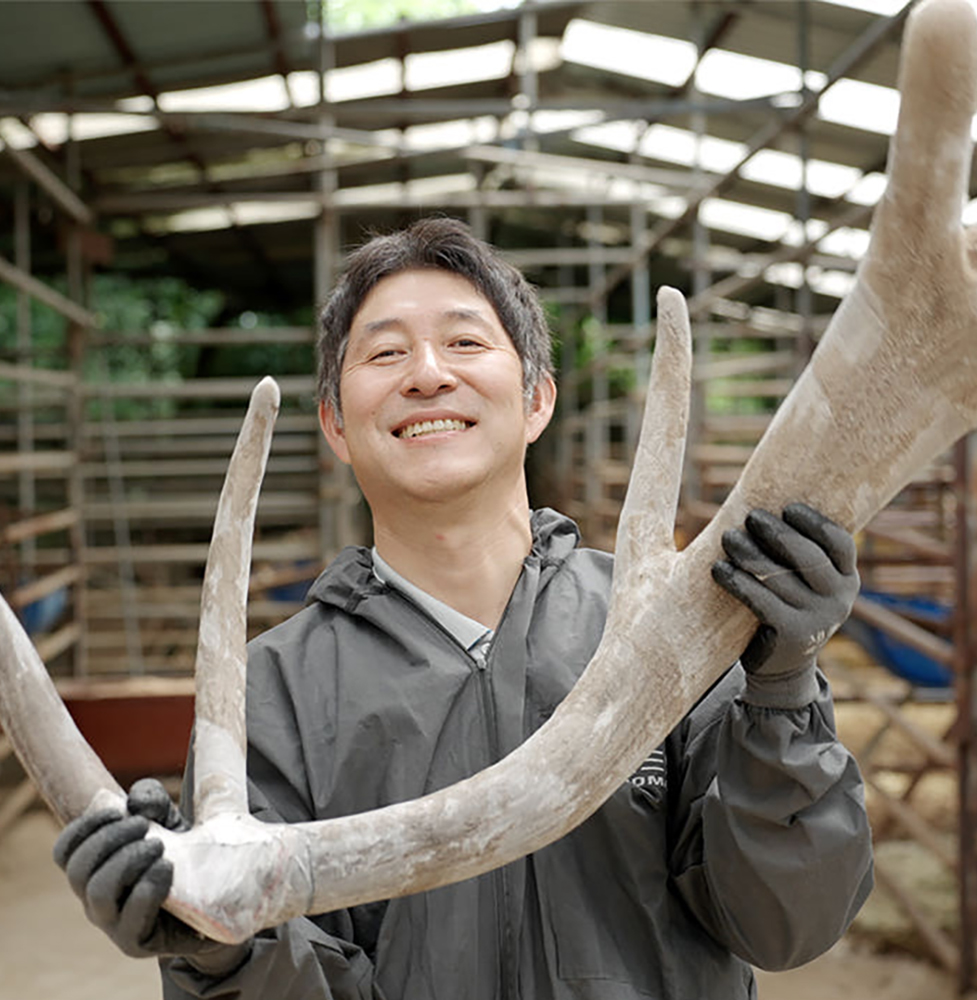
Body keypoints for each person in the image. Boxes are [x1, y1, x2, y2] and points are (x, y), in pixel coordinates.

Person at [54, 217, 873, 999]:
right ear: (336, 425)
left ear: (537, 400)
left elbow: (787, 924)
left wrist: (783, 699)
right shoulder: (268, 699)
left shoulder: (677, 637)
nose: (427, 374)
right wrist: (217, 946)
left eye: (466, 342)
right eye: (384, 353)